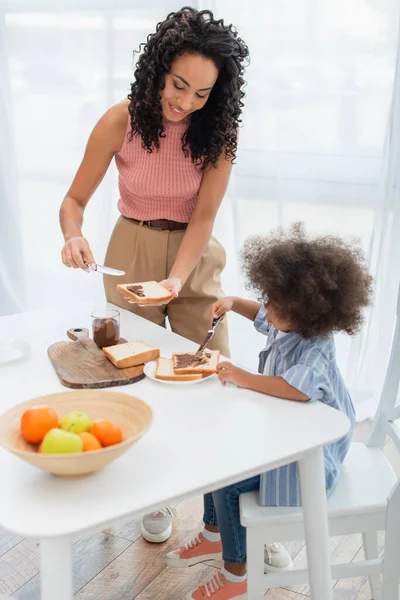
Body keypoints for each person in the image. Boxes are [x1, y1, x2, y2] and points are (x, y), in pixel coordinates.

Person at [59, 7, 249, 544]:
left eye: (201, 94)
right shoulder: (120, 119)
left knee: (215, 380)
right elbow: (73, 201)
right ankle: (156, 499)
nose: (186, 102)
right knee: (136, 376)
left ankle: (224, 520)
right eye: (178, 85)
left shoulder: (218, 135)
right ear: (158, 69)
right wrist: (73, 237)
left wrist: (177, 280)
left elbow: (205, 215)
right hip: (133, 244)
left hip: (196, 251)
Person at [166, 223, 373, 600]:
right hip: (284, 439)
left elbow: (293, 388)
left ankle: (237, 573)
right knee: (215, 451)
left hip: (308, 462)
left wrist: (243, 377)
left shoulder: (314, 349)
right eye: (270, 299)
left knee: (229, 484)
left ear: (310, 314)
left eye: (277, 306)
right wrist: (231, 301)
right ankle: (215, 533)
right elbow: (261, 314)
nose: (269, 310)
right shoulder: (287, 321)